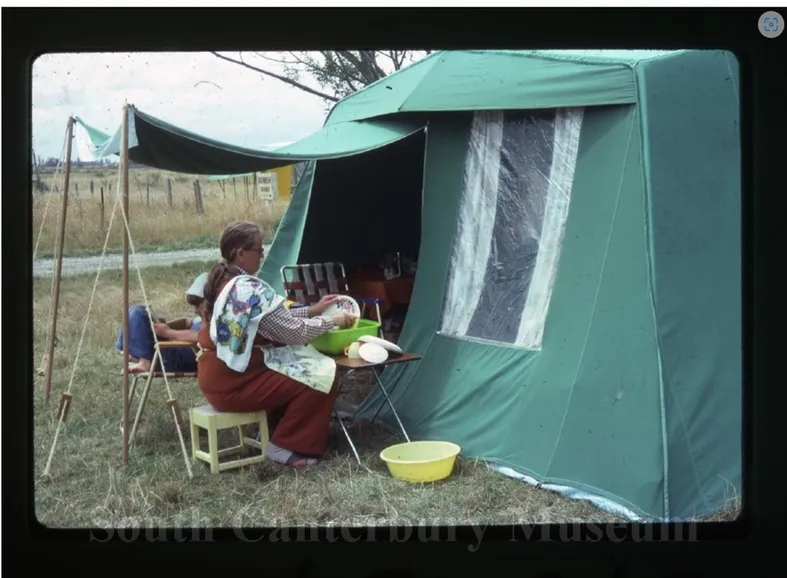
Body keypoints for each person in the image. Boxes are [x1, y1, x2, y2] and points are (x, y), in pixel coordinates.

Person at [195, 220, 357, 468]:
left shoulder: (222, 281)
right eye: (259, 250)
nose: (262, 255)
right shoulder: (248, 289)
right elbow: (293, 332)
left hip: (217, 378)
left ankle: (274, 431)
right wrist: (330, 321)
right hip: (234, 384)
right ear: (241, 253)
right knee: (320, 377)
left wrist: (313, 310)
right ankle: (286, 445)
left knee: (298, 371)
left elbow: (273, 320)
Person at [115, 272, 208, 374]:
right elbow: (186, 322)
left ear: (209, 301)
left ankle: (143, 360)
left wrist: (168, 332)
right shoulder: (202, 318)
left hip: (185, 357)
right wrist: (163, 326)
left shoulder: (214, 322)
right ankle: (136, 352)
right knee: (139, 312)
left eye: (197, 305)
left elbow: (201, 336)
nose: (195, 311)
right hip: (171, 349)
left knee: (138, 311)